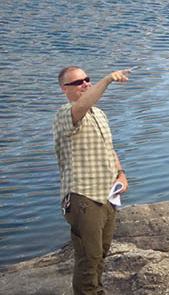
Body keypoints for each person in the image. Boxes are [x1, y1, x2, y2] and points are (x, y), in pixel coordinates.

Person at [52, 66, 131, 295]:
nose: (85, 84)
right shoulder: (65, 114)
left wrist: (121, 174)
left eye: (88, 80)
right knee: (89, 257)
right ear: (64, 90)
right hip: (82, 197)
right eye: (78, 83)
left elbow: (109, 149)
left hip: (106, 196)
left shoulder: (100, 114)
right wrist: (106, 80)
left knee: (101, 254)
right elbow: (82, 105)